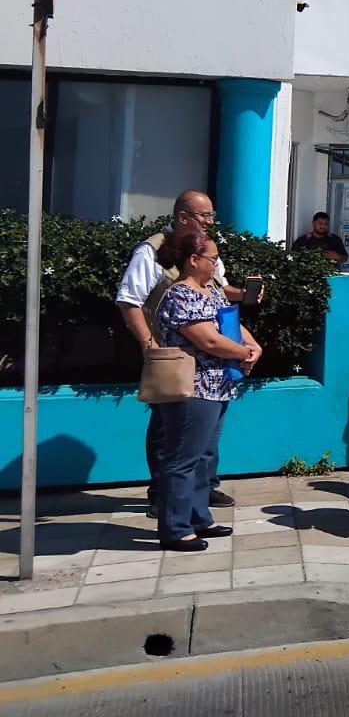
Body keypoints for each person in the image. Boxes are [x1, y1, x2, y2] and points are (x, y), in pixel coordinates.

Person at [116, 190, 253, 518]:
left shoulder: (206, 251)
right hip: (173, 356)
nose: (210, 222)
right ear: (182, 217)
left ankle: (201, 491)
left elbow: (219, 290)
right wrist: (150, 346)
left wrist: (244, 294)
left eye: (211, 216)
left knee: (205, 432)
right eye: (205, 216)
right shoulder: (151, 251)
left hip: (210, 369)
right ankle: (163, 496)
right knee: (168, 430)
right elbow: (129, 301)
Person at [152, 233, 261, 551]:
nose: (216, 264)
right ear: (193, 260)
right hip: (193, 387)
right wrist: (243, 353)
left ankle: (199, 517)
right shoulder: (180, 295)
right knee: (182, 459)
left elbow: (229, 323)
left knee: (202, 457)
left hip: (217, 386)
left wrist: (254, 346)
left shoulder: (210, 290)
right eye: (212, 259)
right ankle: (175, 529)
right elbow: (208, 340)